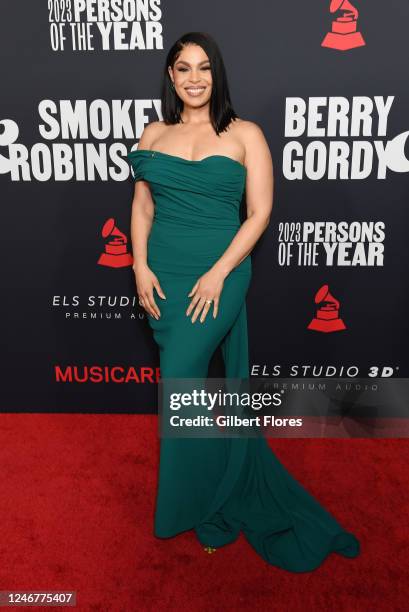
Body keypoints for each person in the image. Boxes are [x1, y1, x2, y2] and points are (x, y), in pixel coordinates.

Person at [127, 31, 360, 571]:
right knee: (181, 392)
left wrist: (217, 273)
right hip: (161, 273)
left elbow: (258, 214)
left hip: (220, 274)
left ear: (218, 74)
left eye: (204, 68)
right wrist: (138, 265)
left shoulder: (245, 133)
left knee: (181, 385)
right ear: (170, 76)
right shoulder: (153, 131)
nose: (194, 79)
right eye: (183, 69)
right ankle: (214, 483)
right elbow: (141, 207)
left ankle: (206, 505)